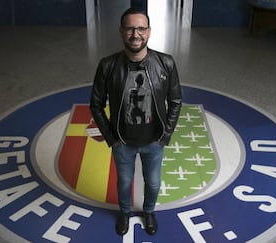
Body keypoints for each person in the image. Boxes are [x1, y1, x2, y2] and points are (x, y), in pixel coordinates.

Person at [90, 8, 182, 236]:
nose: (135, 34)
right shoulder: (108, 65)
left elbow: (176, 100)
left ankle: (149, 211)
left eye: (141, 28)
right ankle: (124, 213)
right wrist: (111, 138)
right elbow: (96, 105)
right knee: (124, 182)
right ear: (121, 32)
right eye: (130, 28)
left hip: (154, 141)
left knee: (152, 183)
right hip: (122, 142)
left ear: (149, 32)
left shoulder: (166, 63)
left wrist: (165, 135)